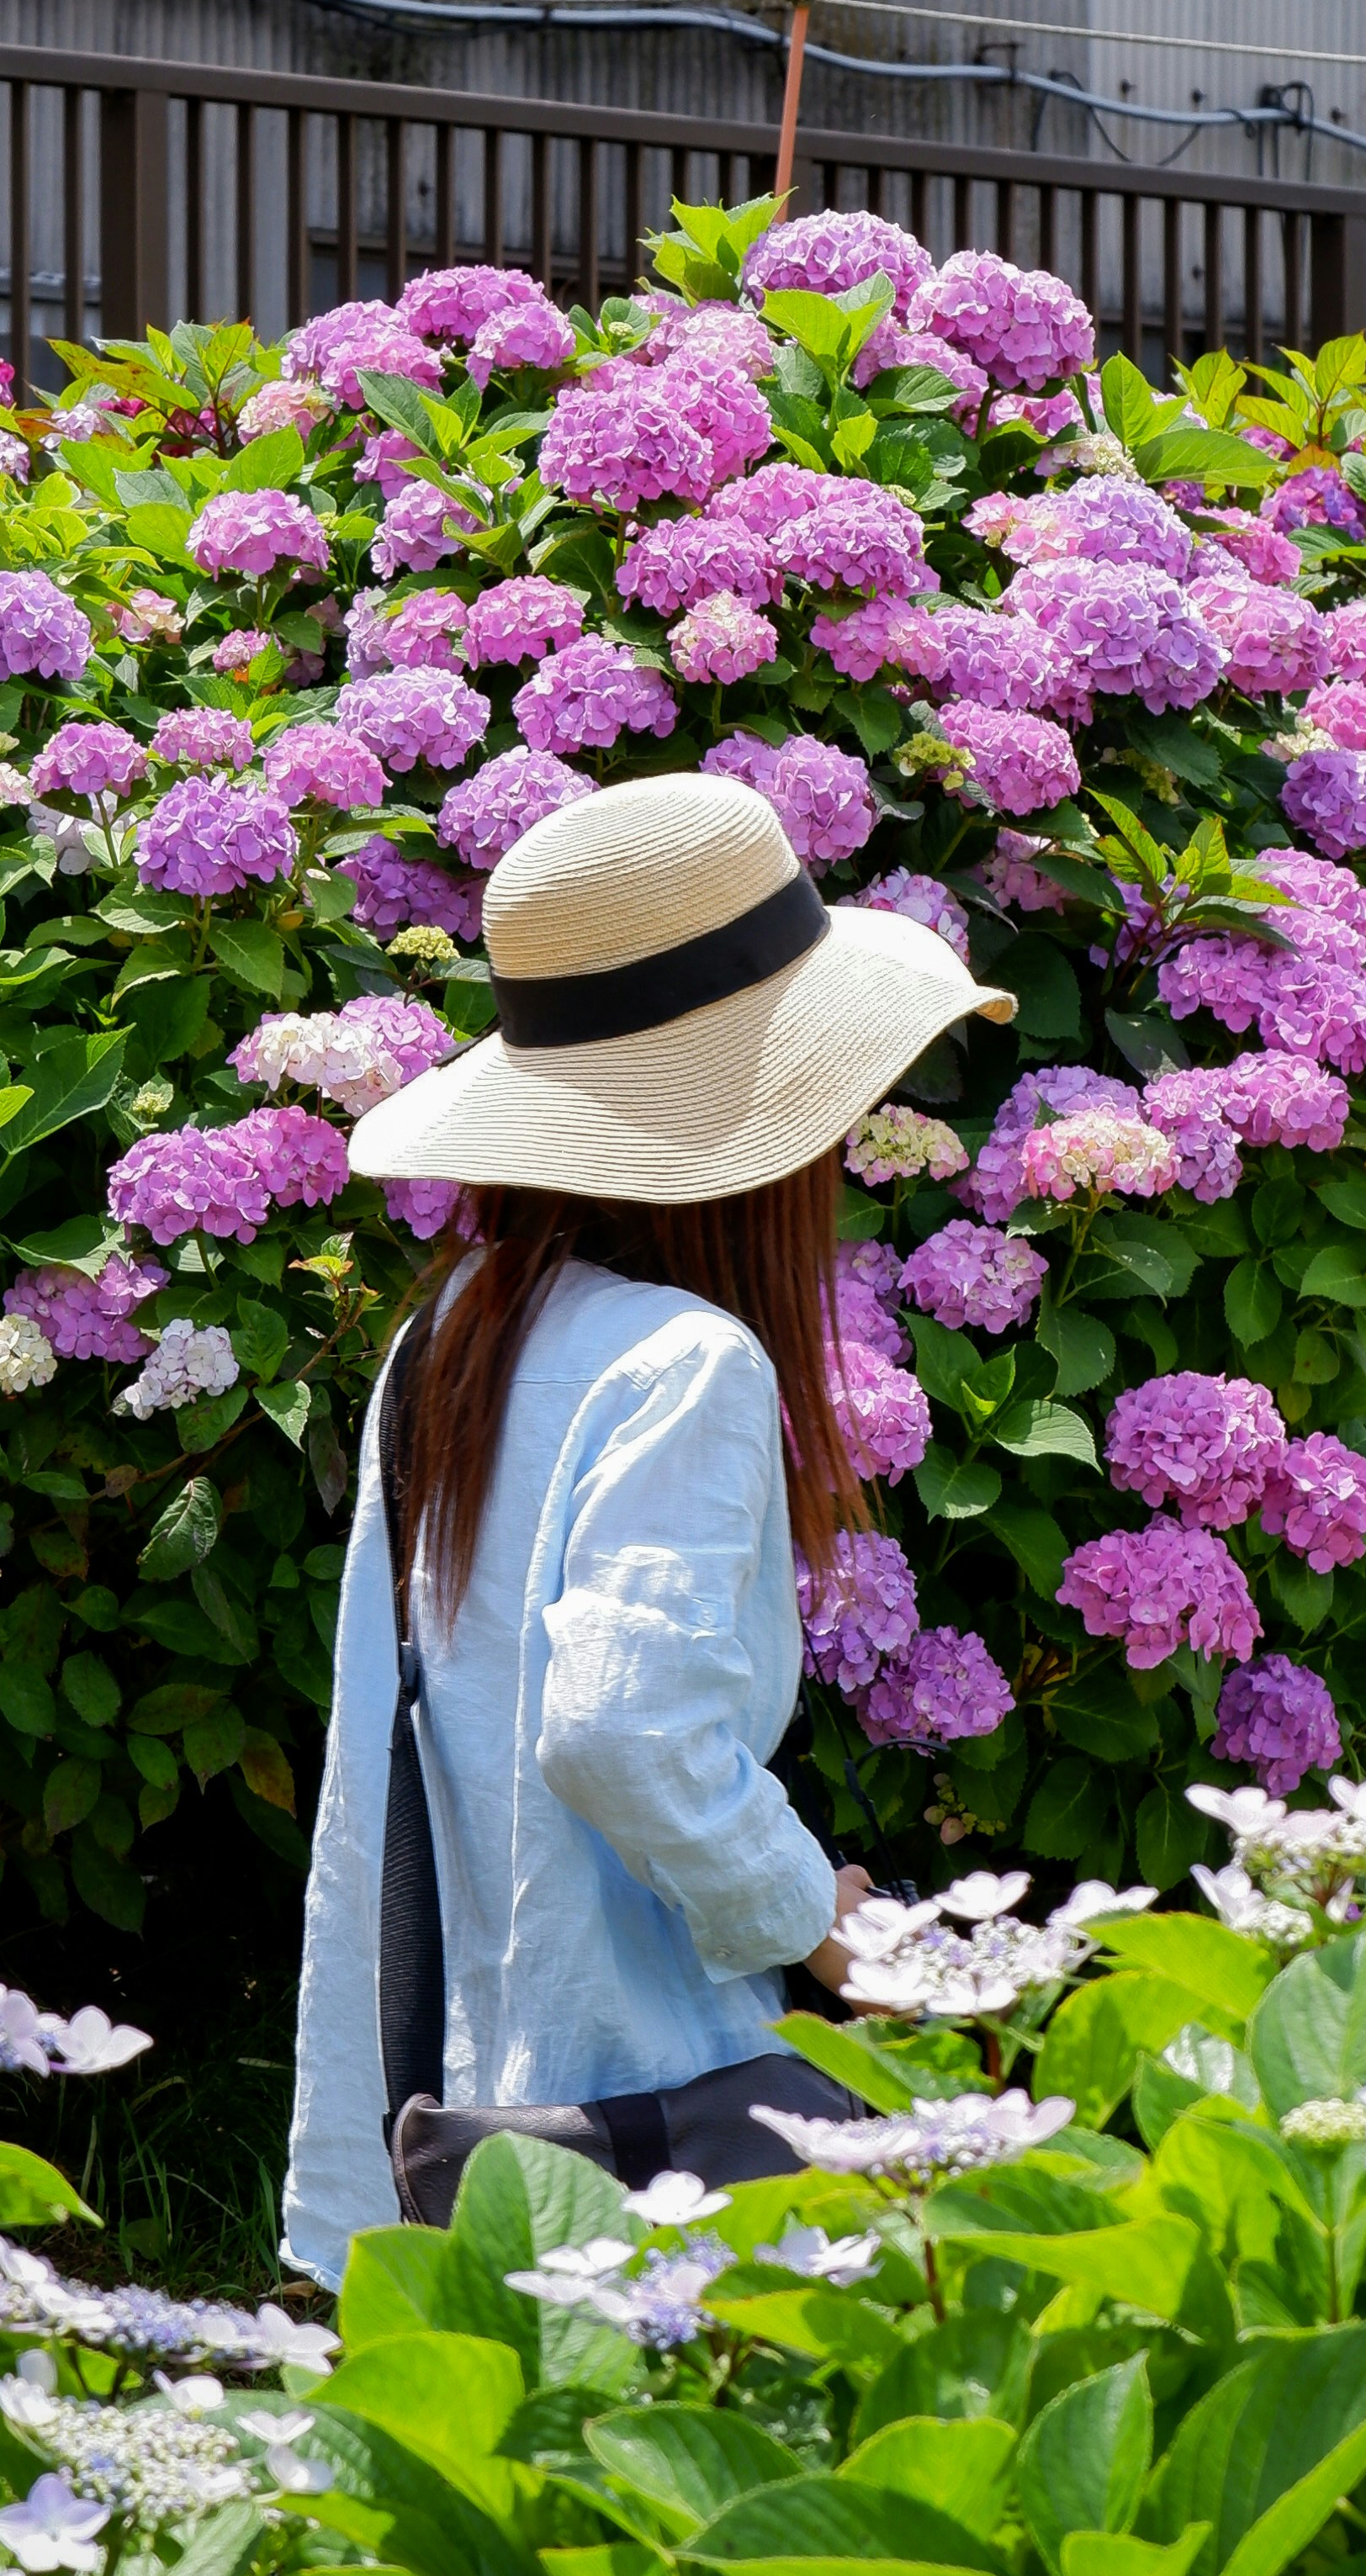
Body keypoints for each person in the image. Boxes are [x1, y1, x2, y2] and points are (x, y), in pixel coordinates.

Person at [278, 767, 1005, 2279]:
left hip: (469, 2079)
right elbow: (621, 1732)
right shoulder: (689, 1364)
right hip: (645, 2095)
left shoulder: (461, 1326)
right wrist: (823, 1922)